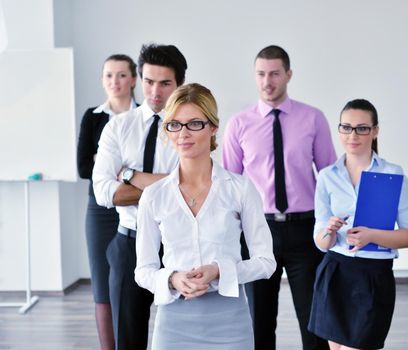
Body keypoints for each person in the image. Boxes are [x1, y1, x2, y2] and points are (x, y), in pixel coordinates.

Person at [134, 83, 276, 349]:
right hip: (173, 324)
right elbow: (143, 271)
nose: (183, 134)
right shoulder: (154, 196)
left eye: (195, 124)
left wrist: (220, 271)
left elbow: (266, 262)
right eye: (175, 124)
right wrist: (173, 278)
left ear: (212, 128)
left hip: (230, 324)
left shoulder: (240, 189)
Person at [222, 45, 336, 350]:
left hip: (305, 230)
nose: (267, 81)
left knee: (315, 323)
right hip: (259, 230)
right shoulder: (238, 124)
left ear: (288, 74)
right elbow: (228, 186)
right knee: (259, 324)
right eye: (261, 74)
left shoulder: (313, 119)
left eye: (274, 73)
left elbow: (330, 177)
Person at [92, 43, 187, 350]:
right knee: (128, 340)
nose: (155, 91)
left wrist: (130, 175)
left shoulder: (190, 131)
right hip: (129, 243)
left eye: (164, 83)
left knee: (178, 339)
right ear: (139, 78)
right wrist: (165, 184)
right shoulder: (118, 128)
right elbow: (104, 191)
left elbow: (188, 187)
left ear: (179, 85)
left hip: (177, 246)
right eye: (148, 81)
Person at [307, 99, 408, 350]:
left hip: (373, 275)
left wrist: (372, 236)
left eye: (362, 128)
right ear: (339, 130)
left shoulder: (393, 174)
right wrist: (329, 230)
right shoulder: (327, 176)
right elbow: (321, 242)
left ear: (375, 131)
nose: (353, 135)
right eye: (346, 127)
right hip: (335, 271)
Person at [76, 53, 137, 350]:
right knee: (102, 286)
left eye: (122, 74)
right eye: (109, 75)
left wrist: (112, 167)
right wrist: (131, 172)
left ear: (134, 79)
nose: (115, 81)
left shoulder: (145, 117)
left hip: (138, 207)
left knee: (141, 284)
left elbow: (150, 168)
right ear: (102, 80)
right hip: (100, 211)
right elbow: (84, 169)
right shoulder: (93, 117)